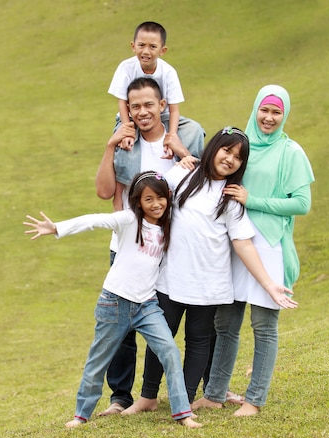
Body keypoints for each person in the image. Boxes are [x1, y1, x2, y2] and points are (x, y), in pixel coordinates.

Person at [122, 127, 298, 417]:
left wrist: (270, 285)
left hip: (208, 285)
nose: (230, 159)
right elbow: (152, 200)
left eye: (238, 158)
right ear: (214, 147)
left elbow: (243, 244)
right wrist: (181, 158)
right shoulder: (183, 175)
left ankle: (185, 401)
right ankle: (147, 397)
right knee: (160, 337)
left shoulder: (230, 197)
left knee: (198, 341)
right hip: (171, 279)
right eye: (226, 150)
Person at [23, 171, 202, 428]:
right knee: (98, 360)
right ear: (138, 202)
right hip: (115, 303)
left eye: (160, 198)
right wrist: (57, 228)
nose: (156, 204)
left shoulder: (167, 225)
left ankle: (183, 413)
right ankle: (80, 415)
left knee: (170, 352)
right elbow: (96, 220)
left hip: (147, 306)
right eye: (148, 199)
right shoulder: (129, 220)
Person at [193, 85, 315, 417]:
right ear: (255, 109)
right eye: (265, 110)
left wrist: (253, 200)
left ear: (285, 114)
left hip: (268, 245)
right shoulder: (240, 145)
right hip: (234, 243)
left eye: (277, 112)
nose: (269, 118)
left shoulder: (290, 152)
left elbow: (302, 204)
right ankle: (214, 393)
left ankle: (255, 399)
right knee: (225, 323)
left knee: (263, 324)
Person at [95, 77, 204, 416]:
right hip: (128, 246)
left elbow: (207, 181)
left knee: (173, 319)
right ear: (127, 109)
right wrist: (110, 146)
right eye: (134, 106)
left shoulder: (186, 135)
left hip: (172, 246)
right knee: (121, 324)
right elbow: (103, 192)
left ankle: (186, 390)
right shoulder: (126, 144)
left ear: (162, 106)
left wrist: (183, 151)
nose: (142, 112)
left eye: (148, 105)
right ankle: (120, 396)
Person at [108, 21, 205, 211]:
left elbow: (175, 108)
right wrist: (127, 129)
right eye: (141, 45)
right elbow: (122, 102)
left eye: (153, 47)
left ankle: (191, 169)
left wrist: (172, 136)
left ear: (163, 50)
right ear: (133, 46)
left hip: (164, 115)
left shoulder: (168, 72)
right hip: (130, 114)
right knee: (122, 141)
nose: (146, 51)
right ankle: (122, 191)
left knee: (194, 129)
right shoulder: (126, 67)